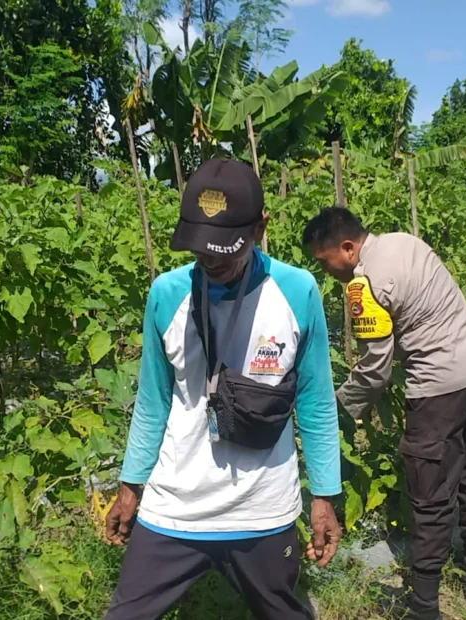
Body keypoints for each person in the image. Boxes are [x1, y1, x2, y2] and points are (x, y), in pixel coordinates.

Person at [103, 158, 343, 620]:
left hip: (262, 510)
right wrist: (130, 487)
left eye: (224, 247)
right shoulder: (167, 293)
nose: (210, 259)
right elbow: (153, 402)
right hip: (175, 507)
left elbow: (315, 402)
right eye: (200, 247)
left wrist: (324, 497)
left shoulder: (296, 291)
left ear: (260, 227)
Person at [302, 207, 466, 620]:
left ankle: (423, 606)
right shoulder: (405, 241)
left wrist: (338, 408)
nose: (327, 272)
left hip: (441, 386)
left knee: (429, 496)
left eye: (325, 262)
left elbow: (375, 368)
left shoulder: (363, 286)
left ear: (347, 247)